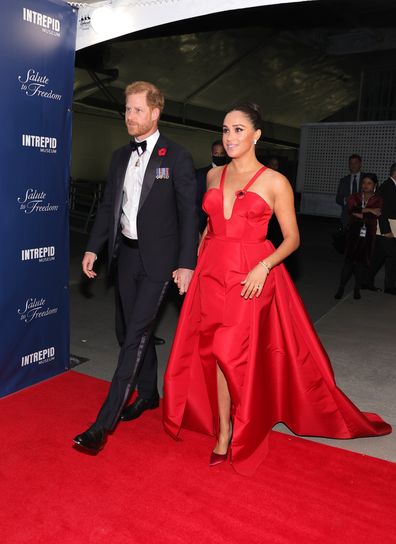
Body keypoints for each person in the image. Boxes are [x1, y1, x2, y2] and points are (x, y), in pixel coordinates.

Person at [163, 103, 391, 476]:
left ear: (256, 135)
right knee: (214, 356)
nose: (230, 137)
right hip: (211, 274)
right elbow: (210, 227)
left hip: (250, 277)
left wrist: (263, 266)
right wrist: (191, 264)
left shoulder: (274, 181)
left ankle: (246, 427)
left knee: (232, 354)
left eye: (239, 130)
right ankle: (223, 434)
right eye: (225, 129)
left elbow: (292, 238)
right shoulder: (213, 177)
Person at [73, 81, 198, 453]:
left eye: (137, 110)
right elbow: (110, 205)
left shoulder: (175, 156)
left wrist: (186, 263)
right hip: (125, 256)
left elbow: (189, 213)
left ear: (155, 112)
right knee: (128, 328)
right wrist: (93, 248)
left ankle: (102, 425)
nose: (129, 116)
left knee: (135, 336)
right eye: (127, 109)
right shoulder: (118, 157)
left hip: (160, 261)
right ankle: (148, 394)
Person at [334, 174, 382, 300]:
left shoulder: (378, 199)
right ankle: (341, 287)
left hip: (368, 234)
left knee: (362, 262)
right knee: (349, 261)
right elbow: (352, 209)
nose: (365, 185)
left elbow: (375, 214)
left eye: (369, 183)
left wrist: (362, 212)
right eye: (364, 183)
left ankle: (357, 288)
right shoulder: (354, 196)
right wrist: (370, 210)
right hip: (354, 233)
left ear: (375, 185)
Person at [366, 163, 396, 295]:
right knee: (392, 256)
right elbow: (380, 211)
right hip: (386, 228)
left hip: (390, 227)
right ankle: (390, 287)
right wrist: (386, 230)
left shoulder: (392, 186)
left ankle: (365, 281)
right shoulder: (387, 187)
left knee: (378, 257)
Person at [196, 140, 227, 233]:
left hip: (225, 225)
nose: (219, 157)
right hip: (203, 224)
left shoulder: (233, 174)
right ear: (211, 154)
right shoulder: (200, 174)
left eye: (222, 154)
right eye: (216, 153)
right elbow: (196, 202)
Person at [336, 154, 365, 228]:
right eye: (351, 163)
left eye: (356, 163)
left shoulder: (367, 179)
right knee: (347, 238)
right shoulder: (343, 180)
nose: (353, 165)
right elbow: (338, 199)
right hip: (347, 217)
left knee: (362, 239)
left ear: (360, 164)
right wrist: (346, 199)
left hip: (363, 216)